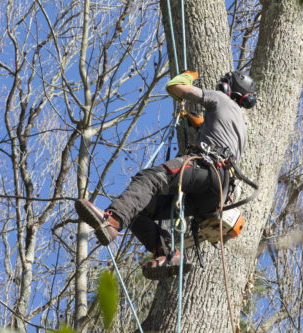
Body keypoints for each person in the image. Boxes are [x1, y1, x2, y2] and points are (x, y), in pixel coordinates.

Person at [75, 70, 256, 279]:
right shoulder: (240, 126)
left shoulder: (221, 99)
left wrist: (189, 75)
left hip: (207, 168)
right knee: (138, 209)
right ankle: (167, 253)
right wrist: (196, 123)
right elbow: (217, 133)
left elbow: (174, 87)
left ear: (228, 89)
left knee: (150, 178)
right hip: (215, 196)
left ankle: (112, 220)